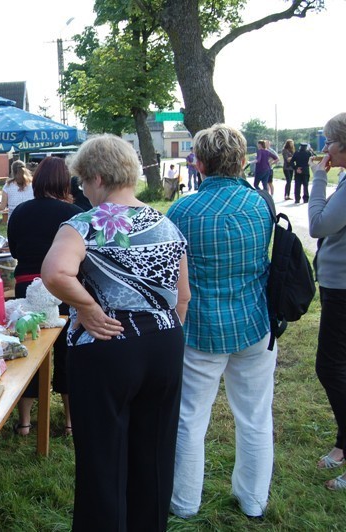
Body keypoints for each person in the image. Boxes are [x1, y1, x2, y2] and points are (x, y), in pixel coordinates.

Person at [41, 135, 190, 530]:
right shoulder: (167, 222)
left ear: (98, 178)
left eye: (83, 183)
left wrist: (87, 307)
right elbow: (183, 297)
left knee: (103, 458)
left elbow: (55, 273)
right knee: (155, 452)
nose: (83, 192)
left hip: (108, 344)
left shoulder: (85, 224)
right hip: (164, 343)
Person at [166, 124, 275, 519]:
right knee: (256, 415)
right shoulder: (260, 204)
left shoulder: (181, 210)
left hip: (199, 327)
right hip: (253, 321)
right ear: (242, 160)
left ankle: (184, 503)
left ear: (200, 162)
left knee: (190, 417)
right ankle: (254, 500)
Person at [7, 156, 83, 437]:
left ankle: (25, 422)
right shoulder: (74, 213)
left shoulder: (20, 212)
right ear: (65, 182)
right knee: (66, 352)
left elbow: (14, 252)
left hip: (26, 288)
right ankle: (70, 422)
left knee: (28, 352)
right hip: (62, 288)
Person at [308, 112, 346, 491]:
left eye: (329, 142)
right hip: (338, 286)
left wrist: (319, 178)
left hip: (344, 290)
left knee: (330, 367)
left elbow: (318, 225)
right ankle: (342, 444)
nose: (325, 149)